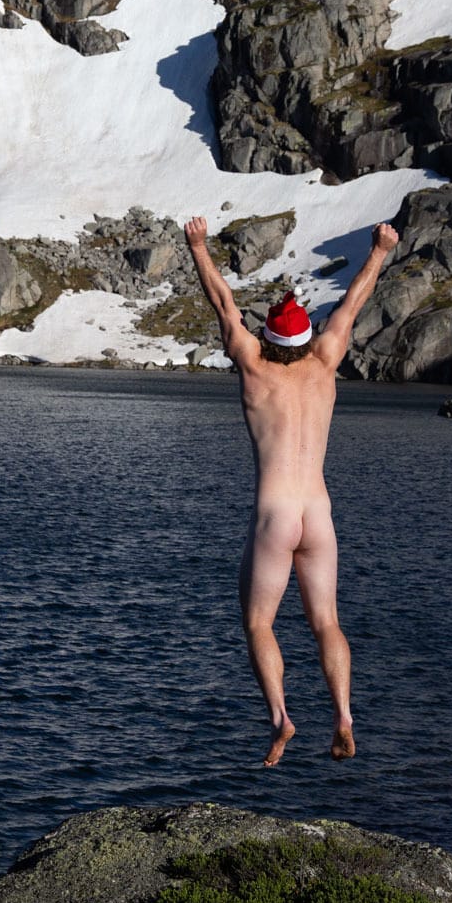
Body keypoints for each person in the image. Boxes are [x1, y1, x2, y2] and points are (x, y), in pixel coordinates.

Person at [183, 216, 400, 766]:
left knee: (259, 622)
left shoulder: (254, 367)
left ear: (269, 338)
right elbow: (353, 302)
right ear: (305, 338)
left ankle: (281, 717)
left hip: (275, 515)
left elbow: (223, 303)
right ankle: (345, 715)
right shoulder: (325, 362)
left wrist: (199, 247)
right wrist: (379, 250)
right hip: (319, 515)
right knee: (327, 621)